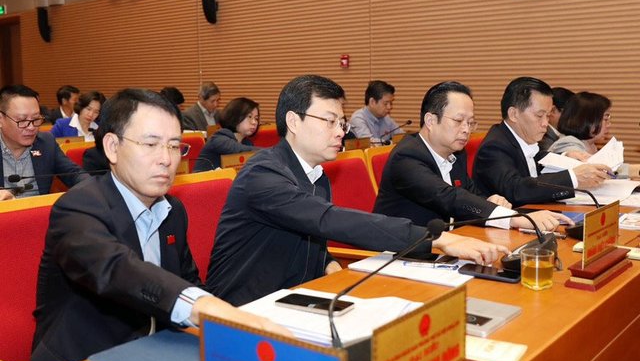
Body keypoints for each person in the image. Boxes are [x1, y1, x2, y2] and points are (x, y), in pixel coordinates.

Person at [13, 88, 289, 361]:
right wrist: (209, 309)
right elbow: (116, 269)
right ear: (112, 147)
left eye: (174, 145)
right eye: (151, 144)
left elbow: (188, 281)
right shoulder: (78, 207)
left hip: (153, 360)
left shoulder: (173, 210)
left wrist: (225, 328)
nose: (167, 159)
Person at [207, 75, 509, 306]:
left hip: (297, 298)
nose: (341, 131)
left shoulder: (316, 175)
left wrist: (331, 267)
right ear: (293, 122)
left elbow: (312, 241)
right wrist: (438, 239)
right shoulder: (262, 174)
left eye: (342, 122)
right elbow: (327, 219)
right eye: (329, 121)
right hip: (244, 310)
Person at [373, 81, 571, 231]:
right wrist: (514, 218)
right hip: (402, 255)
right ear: (431, 120)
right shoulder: (407, 157)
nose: (466, 130)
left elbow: (471, 192)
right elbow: (449, 197)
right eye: (458, 120)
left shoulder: (456, 154)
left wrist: (491, 200)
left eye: (470, 122)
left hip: (447, 247)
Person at [472, 77, 610, 206]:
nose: (545, 123)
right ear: (514, 114)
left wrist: (565, 156)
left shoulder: (523, 139)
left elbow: (539, 159)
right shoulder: (494, 146)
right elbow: (516, 189)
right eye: (539, 115)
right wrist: (573, 178)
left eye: (548, 116)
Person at [0, 84, 88, 200]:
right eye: (22, 120)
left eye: (36, 119)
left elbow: (75, 174)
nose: (31, 127)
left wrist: (96, 188)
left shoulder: (46, 143)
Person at [194, 97, 261, 171]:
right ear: (235, 117)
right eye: (249, 117)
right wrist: (269, 152)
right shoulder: (219, 138)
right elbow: (238, 149)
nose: (254, 122)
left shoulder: (247, 142)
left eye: (256, 118)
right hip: (204, 178)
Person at [548, 92, 612, 161]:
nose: (609, 125)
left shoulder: (590, 145)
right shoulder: (569, 144)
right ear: (587, 120)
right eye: (606, 119)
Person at [349, 80, 403, 144]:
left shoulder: (386, 118)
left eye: (391, 103)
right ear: (372, 102)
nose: (389, 107)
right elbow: (370, 143)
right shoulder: (357, 119)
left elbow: (401, 136)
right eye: (385, 103)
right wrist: (390, 142)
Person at [539, 86, 574, 152]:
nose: (573, 118)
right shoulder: (542, 137)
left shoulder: (566, 133)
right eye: (569, 113)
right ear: (553, 110)